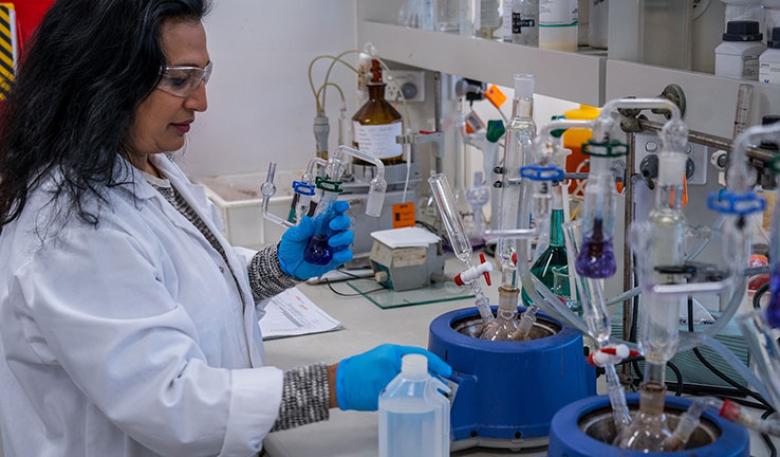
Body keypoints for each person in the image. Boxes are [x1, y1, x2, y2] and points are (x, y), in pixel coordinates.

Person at [0, 1, 451, 456]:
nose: (200, 100)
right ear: (106, 78)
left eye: (202, 76)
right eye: (180, 80)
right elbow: (174, 406)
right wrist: (334, 386)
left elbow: (179, 289)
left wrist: (275, 268)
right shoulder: (72, 228)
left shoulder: (146, 165)